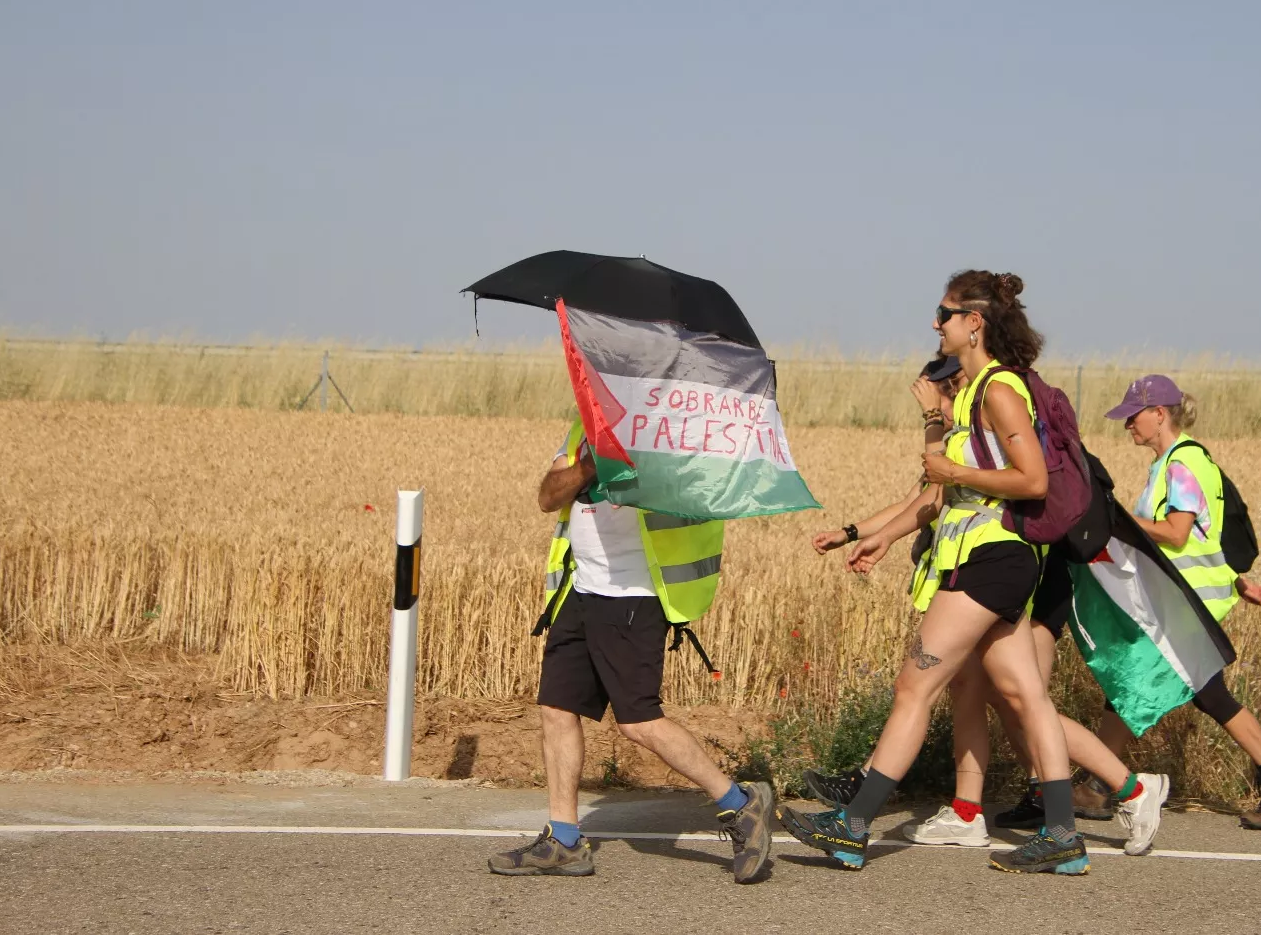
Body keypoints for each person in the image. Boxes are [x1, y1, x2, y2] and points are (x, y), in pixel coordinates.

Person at [780, 269, 1093, 875]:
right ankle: (1062, 835)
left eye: (945, 314)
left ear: (974, 323)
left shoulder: (999, 390)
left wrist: (957, 475)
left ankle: (851, 826)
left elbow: (1030, 480)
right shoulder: (976, 392)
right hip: (997, 558)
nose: (935, 323)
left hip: (990, 558)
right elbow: (938, 478)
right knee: (1027, 695)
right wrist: (879, 532)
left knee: (914, 686)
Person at [808, 356, 1167, 856]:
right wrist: (863, 534)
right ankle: (977, 812)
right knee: (975, 688)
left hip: (1014, 568)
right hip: (999, 566)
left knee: (1000, 697)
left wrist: (934, 424)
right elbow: (927, 499)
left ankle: (1124, 789)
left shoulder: (989, 414)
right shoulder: (969, 430)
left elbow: (978, 487)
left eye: (945, 389)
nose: (939, 401)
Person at [487, 420, 775, 882]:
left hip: (634, 596)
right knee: (557, 708)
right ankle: (563, 840)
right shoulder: (583, 425)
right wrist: (587, 464)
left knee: (639, 721)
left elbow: (698, 496)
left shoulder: (672, 427)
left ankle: (741, 804)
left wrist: (633, 461)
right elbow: (548, 497)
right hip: (579, 591)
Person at [1074, 375, 1261, 830]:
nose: (1128, 426)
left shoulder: (1182, 465)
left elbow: (1178, 533)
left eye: (1133, 416)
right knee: (1134, 679)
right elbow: (1208, 536)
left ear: (1159, 413)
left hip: (1185, 603)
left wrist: (1118, 523)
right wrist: (1238, 583)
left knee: (1201, 692)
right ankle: (1099, 784)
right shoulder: (1177, 462)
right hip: (1182, 598)